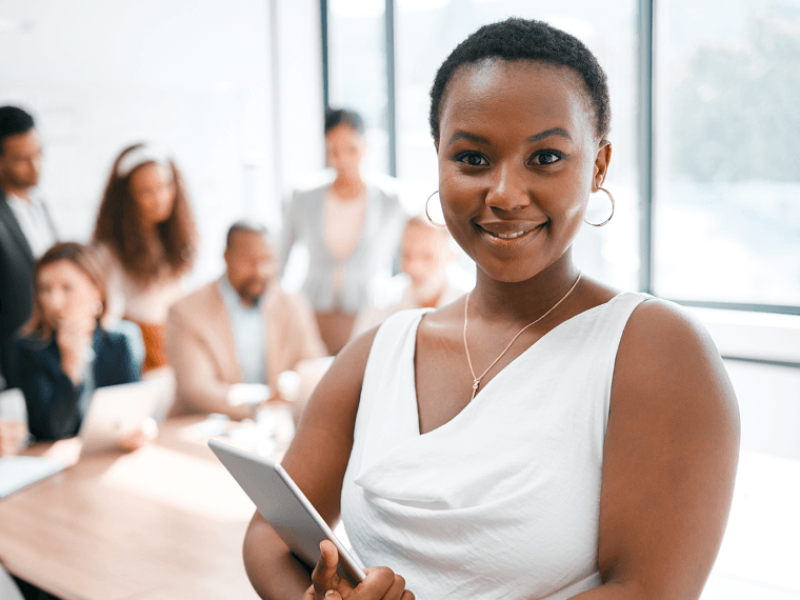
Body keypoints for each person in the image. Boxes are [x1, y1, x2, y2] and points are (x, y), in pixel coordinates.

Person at [243, 18, 740, 600]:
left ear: (598, 167)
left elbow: (649, 590)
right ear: (439, 161)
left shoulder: (657, 350)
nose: (505, 193)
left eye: (546, 157)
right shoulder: (382, 349)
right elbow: (269, 534)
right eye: (473, 159)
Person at [167, 221, 327, 421]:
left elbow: (314, 366)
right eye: (249, 261)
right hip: (206, 425)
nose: (260, 271)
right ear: (226, 257)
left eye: (268, 260)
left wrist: (292, 391)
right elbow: (197, 388)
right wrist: (260, 405)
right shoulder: (186, 311)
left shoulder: (292, 304)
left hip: (275, 426)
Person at [280, 108, 407, 355]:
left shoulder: (391, 199)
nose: (343, 159)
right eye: (333, 151)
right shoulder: (302, 197)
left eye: (351, 149)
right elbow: (279, 259)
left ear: (365, 146)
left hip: (371, 311)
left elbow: (411, 254)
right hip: (314, 312)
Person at [11, 242, 143, 444]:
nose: (54, 301)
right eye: (45, 289)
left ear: (96, 290)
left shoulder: (121, 341)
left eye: (67, 288)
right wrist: (71, 367)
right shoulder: (28, 350)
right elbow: (50, 432)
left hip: (108, 453)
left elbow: (130, 415)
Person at [92, 143, 197, 372]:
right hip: (141, 353)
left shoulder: (175, 240)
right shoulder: (109, 252)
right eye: (146, 191)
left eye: (166, 186)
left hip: (175, 344)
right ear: (127, 197)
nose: (160, 198)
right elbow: (108, 319)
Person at [0, 106, 58, 388]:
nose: (36, 166)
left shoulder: (40, 206)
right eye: (22, 159)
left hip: (48, 353)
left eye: (38, 153)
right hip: (10, 362)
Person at [351, 215, 467, 337]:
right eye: (406, 255)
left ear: (451, 255)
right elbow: (355, 352)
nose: (414, 267)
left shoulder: (473, 302)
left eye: (427, 256)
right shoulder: (383, 300)